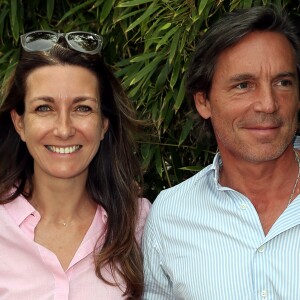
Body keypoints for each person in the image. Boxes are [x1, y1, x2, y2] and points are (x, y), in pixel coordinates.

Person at [142, 6, 300, 299]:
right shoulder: (170, 215)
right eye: (244, 85)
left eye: (283, 82)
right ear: (204, 101)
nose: (268, 104)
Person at [0, 31, 150, 299]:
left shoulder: (140, 223)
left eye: (83, 108)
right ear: (19, 123)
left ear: (104, 124)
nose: (64, 129)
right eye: (44, 108)